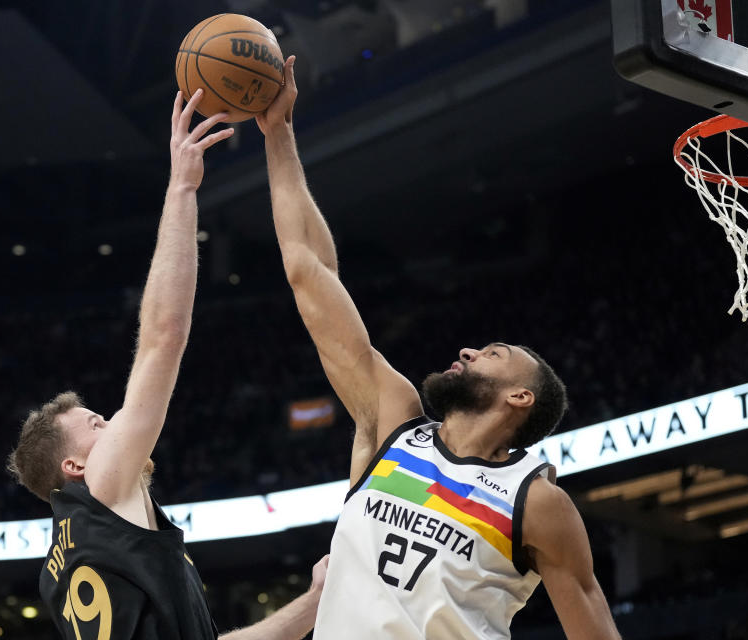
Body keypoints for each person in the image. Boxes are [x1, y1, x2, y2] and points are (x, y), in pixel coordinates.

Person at [255, 57, 622, 639]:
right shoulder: (391, 421)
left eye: (494, 353)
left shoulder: (537, 502)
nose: (470, 352)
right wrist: (279, 135)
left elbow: (594, 631)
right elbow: (310, 270)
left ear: (521, 396)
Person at [8, 89, 327, 640]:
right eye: (97, 426)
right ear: (75, 469)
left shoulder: (65, 562)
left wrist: (316, 602)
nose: (114, 422)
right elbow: (163, 337)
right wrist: (182, 187)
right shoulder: (104, 494)